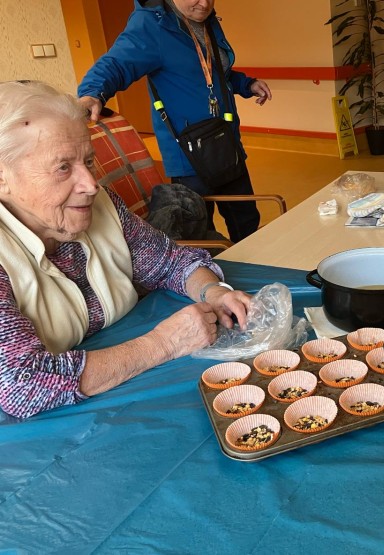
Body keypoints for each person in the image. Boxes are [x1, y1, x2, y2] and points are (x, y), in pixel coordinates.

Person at [0, 80, 256, 420]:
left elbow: (170, 262)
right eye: (63, 167)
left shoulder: (101, 205)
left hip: (124, 400)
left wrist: (214, 291)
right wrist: (164, 343)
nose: (91, 185)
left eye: (89, 162)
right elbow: (22, 384)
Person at [78, 0, 272, 243]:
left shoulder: (206, 20)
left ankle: (258, 270)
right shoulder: (152, 24)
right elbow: (116, 63)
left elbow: (213, 71)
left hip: (225, 141)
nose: (205, 3)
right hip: (190, 152)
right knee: (200, 232)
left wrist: (246, 84)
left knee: (246, 220)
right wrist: (92, 93)